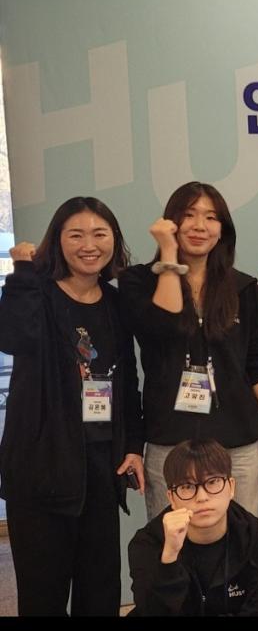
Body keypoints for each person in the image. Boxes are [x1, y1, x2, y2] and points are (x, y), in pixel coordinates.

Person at [0, 197, 144, 616]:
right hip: (40, 465)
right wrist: (22, 273)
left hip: (101, 465)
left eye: (100, 234)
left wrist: (133, 446)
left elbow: (127, 381)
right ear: (57, 241)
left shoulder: (116, 303)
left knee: (100, 590)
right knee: (42, 595)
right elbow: (13, 338)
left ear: (114, 240)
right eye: (76, 235)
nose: (89, 245)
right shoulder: (37, 292)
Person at [120, 181, 258, 519]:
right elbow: (165, 324)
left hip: (237, 437)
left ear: (222, 229)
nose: (200, 226)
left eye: (211, 217)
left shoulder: (243, 288)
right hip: (170, 436)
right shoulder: (139, 282)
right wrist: (169, 255)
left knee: (242, 534)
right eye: (189, 215)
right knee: (173, 535)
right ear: (171, 222)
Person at [128, 439, 258, 616]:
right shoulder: (147, 544)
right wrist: (169, 558)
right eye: (187, 487)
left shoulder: (257, 538)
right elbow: (149, 612)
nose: (202, 497)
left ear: (231, 487)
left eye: (213, 482)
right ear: (171, 498)